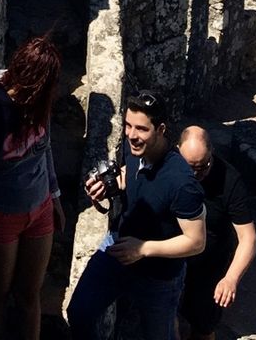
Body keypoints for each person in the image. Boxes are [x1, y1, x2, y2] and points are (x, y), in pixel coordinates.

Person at [66, 91, 206, 340]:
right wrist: (109, 185)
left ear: (161, 129)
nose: (131, 134)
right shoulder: (136, 151)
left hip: (158, 275)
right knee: (79, 312)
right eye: (128, 125)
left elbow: (196, 241)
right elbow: (130, 174)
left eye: (141, 128)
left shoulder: (181, 182)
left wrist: (143, 249)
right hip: (119, 247)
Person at [0, 35, 64, 340]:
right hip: (1, 216)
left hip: (40, 208)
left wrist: (55, 195)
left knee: (29, 294)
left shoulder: (39, 103)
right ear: (34, 83)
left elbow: (45, 149)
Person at [176, 126, 256, 340]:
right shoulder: (170, 166)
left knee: (203, 325)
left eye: (202, 167)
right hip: (173, 257)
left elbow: (248, 238)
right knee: (166, 317)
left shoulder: (230, 180)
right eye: (189, 168)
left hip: (210, 265)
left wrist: (230, 279)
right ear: (177, 152)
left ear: (212, 151)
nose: (195, 175)